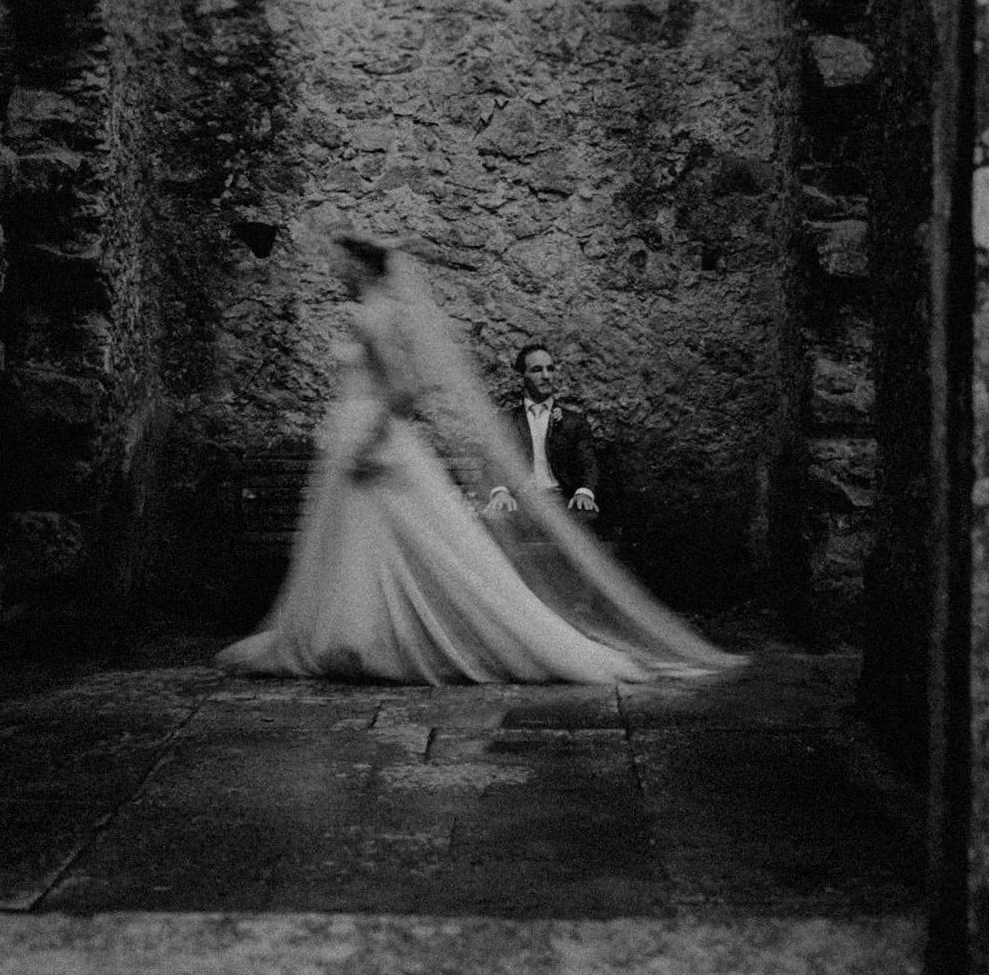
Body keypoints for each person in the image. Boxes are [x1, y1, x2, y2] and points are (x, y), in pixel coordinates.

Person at [215, 236, 744, 686]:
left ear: (364, 267)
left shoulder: (377, 316)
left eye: (343, 264)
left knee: (418, 548)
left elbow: (404, 390)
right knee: (360, 546)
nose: (336, 272)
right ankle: (359, 637)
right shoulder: (369, 314)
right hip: (359, 445)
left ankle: (388, 641)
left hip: (375, 447)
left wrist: (367, 439)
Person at [483, 343, 600, 519]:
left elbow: (588, 463)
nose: (546, 376)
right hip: (519, 501)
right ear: (521, 377)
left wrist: (584, 493)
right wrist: (500, 492)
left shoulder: (574, 422)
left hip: (562, 503)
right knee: (498, 518)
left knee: (585, 516)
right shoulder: (506, 421)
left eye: (550, 369)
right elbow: (492, 462)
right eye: (537, 370)